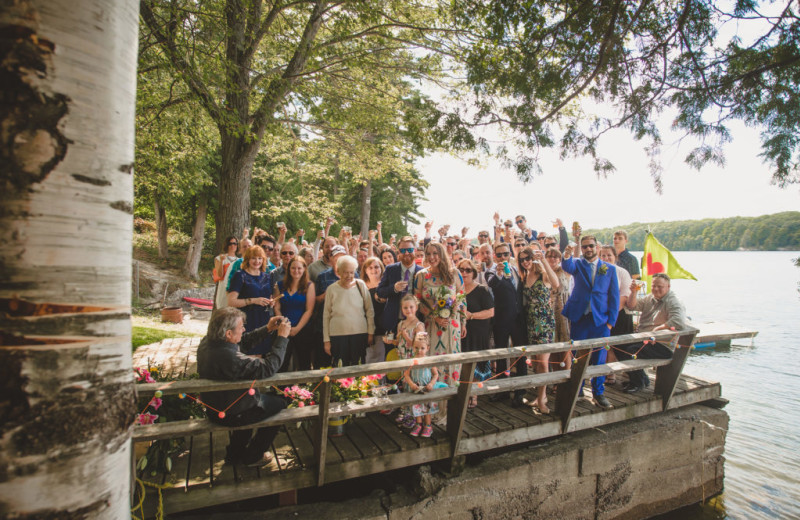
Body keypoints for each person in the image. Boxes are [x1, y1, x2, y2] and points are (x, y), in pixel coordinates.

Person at [197, 308, 291, 467]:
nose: (244, 329)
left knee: (250, 402)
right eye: (241, 327)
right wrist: (281, 338)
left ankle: (234, 454)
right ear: (228, 333)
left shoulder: (208, 342)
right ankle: (254, 456)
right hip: (232, 413)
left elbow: (242, 342)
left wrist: (267, 329)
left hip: (216, 407)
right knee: (281, 404)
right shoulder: (229, 358)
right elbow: (268, 368)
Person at [560, 235, 620, 409]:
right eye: (584, 246)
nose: (588, 249)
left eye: (591, 246)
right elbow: (567, 265)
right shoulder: (577, 264)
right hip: (580, 318)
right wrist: (567, 255)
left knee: (599, 358)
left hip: (600, 320)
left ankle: (598, 393)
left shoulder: (609, 268)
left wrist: (610, 323)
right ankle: (577, 390)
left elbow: (614, 297)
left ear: (597, 247)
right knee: (578, 356)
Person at [617, 273, 688, 392]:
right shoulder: (650, 298)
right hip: (646, 339)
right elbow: (632, 306)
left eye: (660, 286)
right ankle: (643, 379)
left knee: (630, 352)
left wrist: (659, 329)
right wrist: (633, 292)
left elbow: (679, 321)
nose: (656, 289)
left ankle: (638, 383)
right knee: (619, 347)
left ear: (668, 287)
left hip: (663, 344)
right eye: (654, 285)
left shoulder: (673, 301)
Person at [413, 241, 465, 387]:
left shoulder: (454, 273)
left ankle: (453, 395)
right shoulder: (421, 275)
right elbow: (417, 300)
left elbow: (462, 296)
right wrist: (433, 316)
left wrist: (461, 318)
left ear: (441, 254)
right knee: (433, 360)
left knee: (452, 358)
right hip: (432, 324)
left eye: (435, 253)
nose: (431, 257)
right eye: (428, 254)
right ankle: (435, 401)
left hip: (452, 324)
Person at [485, 241, 528, 407]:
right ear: (495, 256)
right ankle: (502, 390)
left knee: (521, 356)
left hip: (518, 319)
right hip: (501, 319)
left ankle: (520, 392)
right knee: (501, 355)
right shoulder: (492, 272)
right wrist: (499, 273)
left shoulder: (518, 269)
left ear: (510, 253)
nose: (503, 257)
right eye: (499, 255)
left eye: (505, 254)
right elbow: (492, 284)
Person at [518, 247, 560, 413]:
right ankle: (540, 396)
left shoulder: (543, 274)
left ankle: (542, 400)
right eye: (522, 259)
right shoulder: (524, 276)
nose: (525, 261)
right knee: (535, 363)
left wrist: (543, 260)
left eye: (528, 258)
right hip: (530, 322)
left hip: (544, 323)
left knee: (543, 362)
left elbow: (556, 284)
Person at [323, 255, 374, 366]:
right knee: (340, 368)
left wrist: (370, 332)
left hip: (359, 334)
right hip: (337, 335)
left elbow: (369, 310)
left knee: (359, 367)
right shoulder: (331, 289)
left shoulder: (361, 285)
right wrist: (326, 340)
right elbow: (326, 316)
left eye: (352, 272)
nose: (349, 275)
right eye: (346, 272)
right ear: (339, 271)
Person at [458, 259, 494, 408]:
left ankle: (473, 394)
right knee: (462, 362)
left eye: (468, 270)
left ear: (474, 273)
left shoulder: (482, 290)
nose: (464, 273)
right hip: (460, 332)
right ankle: (462, 393)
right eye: (461, 269)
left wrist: (471, 315)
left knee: (476, 362)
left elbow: (491, 312)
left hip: (478, 331)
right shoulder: (455, 290)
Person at [227, 245, 275, 356]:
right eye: (253, 258)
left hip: (264, 320)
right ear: (247, 259)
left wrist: (272, 301)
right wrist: (253, 300)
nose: (257, 261)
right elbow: (231, 301)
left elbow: (269, 297)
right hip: (247, 320)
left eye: (260, 258)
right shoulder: (240, 275)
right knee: (249, 355)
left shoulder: (267, 277)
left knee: (263, 355)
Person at [273, 256, 315, 371]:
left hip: (303, 329)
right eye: (293, 268)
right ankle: (281, 388)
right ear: (288, 269)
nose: (296, 271)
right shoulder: (280, 285)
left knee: (304, 362)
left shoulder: (309, 286)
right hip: (283, 328)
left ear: (304, 269)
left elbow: (309, 310)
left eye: (299, 268)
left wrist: (297, 328)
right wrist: (284, 325)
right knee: (282, 362)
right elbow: (277, 307)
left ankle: (303, 388)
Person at [376, 236, 423, 336]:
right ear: (398, 252)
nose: (406, 253)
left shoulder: (422, 271)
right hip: (393, 321)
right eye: (403, 250)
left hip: (416, 322)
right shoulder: (390, 269)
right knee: (391, 352)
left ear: (414, 251)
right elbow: (379, 291)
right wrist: (394, 288)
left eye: (409, 250)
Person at [394, 294, 428, 428]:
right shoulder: (401, 324)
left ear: (416, 307)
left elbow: (420, 346)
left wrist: (407, 338)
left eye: (411, 307)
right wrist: (392, 340)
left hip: (412, 358)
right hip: (403, 357)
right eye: (405, 308)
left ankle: (415, 416)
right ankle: (405, 411)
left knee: (412, 384)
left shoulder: (419, 325)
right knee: (404, 383)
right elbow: (398, 342)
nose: (408, 310)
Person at [403, 332, 439, 438]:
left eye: (422, 348)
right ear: (413, 347)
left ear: (427, 348)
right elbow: (406, 374)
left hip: (426, 388)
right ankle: (418, 424)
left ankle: (428, 426)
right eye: (416, 348)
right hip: (415, 388)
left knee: (427, 408)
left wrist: (431, 384)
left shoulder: (429, 361)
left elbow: (435, 374)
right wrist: (411, 383)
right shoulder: (412, 361)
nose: (419, 351)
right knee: (417, 407)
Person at [545, 247, 573, 369]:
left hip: (563, 309)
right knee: (552, 344)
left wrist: (569, 252)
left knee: (565, 343)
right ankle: (555, 377)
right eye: (549, 256)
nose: (552, 259)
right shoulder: (543, 272)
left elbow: (572, 260)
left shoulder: (564, 270)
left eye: (555, 256)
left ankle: (567, 373)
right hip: (549, 310)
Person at [361, 256, 387, 364]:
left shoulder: (386, 284)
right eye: (370, 267)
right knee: (369, 360)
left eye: (376, 267)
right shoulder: (361, 285)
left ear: (381, 268)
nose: (373, 270)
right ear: (365, 270)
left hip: (384, 330)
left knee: (384, 361)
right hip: (368, 330)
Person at [214, 236, 239, 310]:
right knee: (222, 309)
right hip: (223, 288)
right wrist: (222, 261)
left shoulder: (239, 260)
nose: (232, 246)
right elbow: (219, 275)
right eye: (230, 244)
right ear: (227, 245)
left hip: (234, 288)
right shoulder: (219, 258)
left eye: (235, 243)